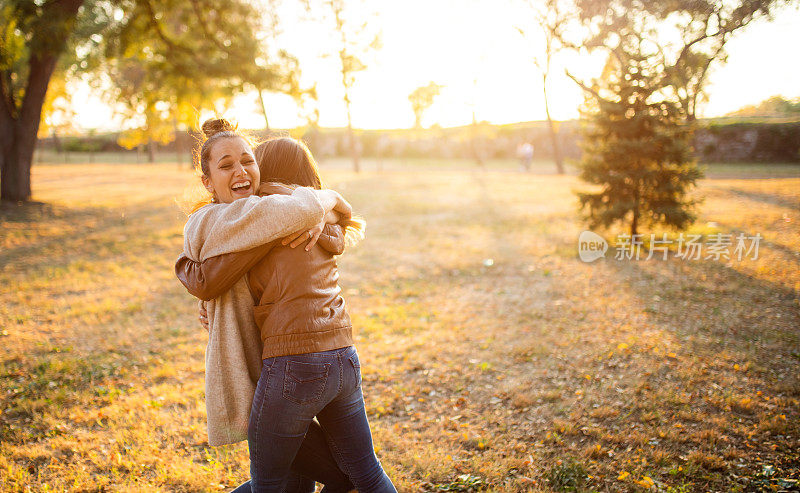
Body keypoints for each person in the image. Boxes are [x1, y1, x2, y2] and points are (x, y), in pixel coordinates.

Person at [177, 135, 396, 492]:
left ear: (263, 167)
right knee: (363, 473)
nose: (245, 172)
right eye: (228, 165)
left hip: (294, 365)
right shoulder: (319, 221)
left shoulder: (262, 220)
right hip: (344, 356)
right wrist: (334, 200)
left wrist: (189, 275)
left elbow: (207, 279)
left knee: (269, 483)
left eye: (249, 161)